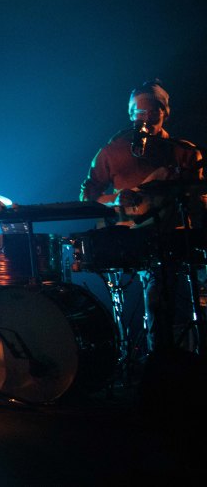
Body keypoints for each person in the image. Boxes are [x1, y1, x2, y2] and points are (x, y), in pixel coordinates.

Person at [79, 79, 205, 356]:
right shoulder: (112, 151)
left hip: (176, 237)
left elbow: (197, 203)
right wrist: (116, 199)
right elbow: (86, 197)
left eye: (153, 111)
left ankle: (184, 357)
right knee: (156, 288)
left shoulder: (184, 151)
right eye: (140, 112)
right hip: (133, 239)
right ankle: (157, 358)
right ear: (131, 114)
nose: (146, 117)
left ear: (165, 112)